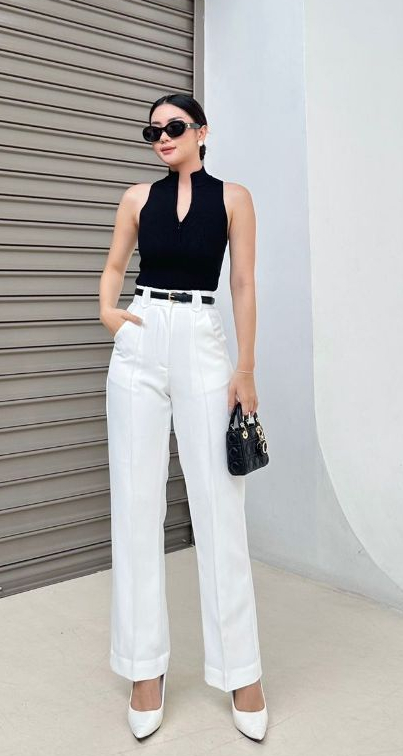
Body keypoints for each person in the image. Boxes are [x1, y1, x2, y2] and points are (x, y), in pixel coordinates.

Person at [98, 93, 268, 741]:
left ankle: (241, 670)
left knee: (220, 506)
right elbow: (115, 265)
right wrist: (109, 314)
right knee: (134, 504)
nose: (162, 137)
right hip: (141, 337)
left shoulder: (234, 198)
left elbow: (243, 283)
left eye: (173, 127)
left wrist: (244, 369)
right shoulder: (137, 198)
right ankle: (144, 667)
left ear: (201, 131)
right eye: (153, 131)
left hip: (201, 337)